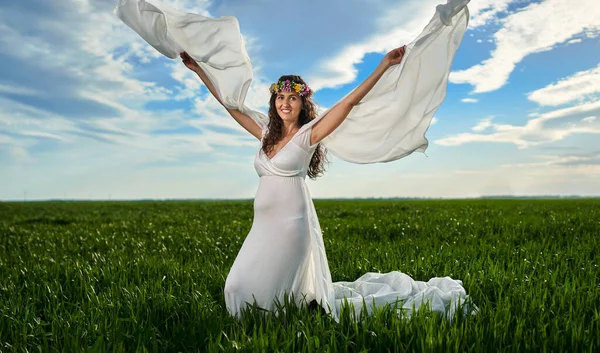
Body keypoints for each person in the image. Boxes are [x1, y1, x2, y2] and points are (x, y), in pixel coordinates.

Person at [114, 0, 476, 321]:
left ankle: (291, 322)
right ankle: (293, 313)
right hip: (263, 227)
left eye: (293, 98)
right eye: (280, 97)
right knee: (237, 288)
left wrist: (382, 65)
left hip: (292, 226)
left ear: (303, 104)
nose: (285, 103)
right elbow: (230, 105)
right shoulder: (265, 133)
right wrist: (199, 71)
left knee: (267, 300)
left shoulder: (308, 135)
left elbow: (347, 104)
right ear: (274, 102)